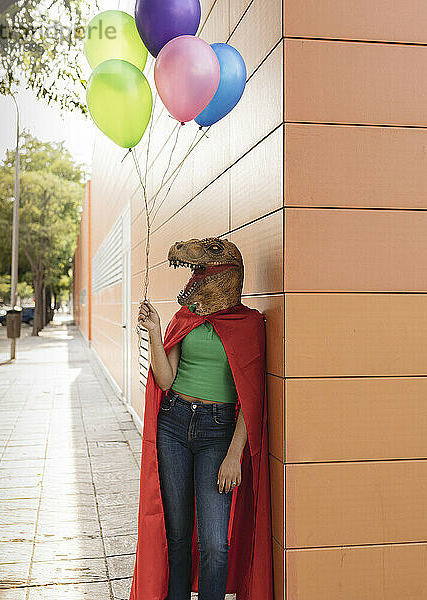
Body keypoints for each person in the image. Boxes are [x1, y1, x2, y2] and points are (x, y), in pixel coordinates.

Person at [130, 237, 273, 600]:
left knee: (214, 544)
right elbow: (165, 379)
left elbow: (251, 399)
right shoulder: (185, 318)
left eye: (203, 264)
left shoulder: (249, 324)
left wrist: (233, 455)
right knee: (178, 537)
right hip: (174, 425)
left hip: (218, 433)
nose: (194, 275)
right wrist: (155, 330)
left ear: (228, 271)